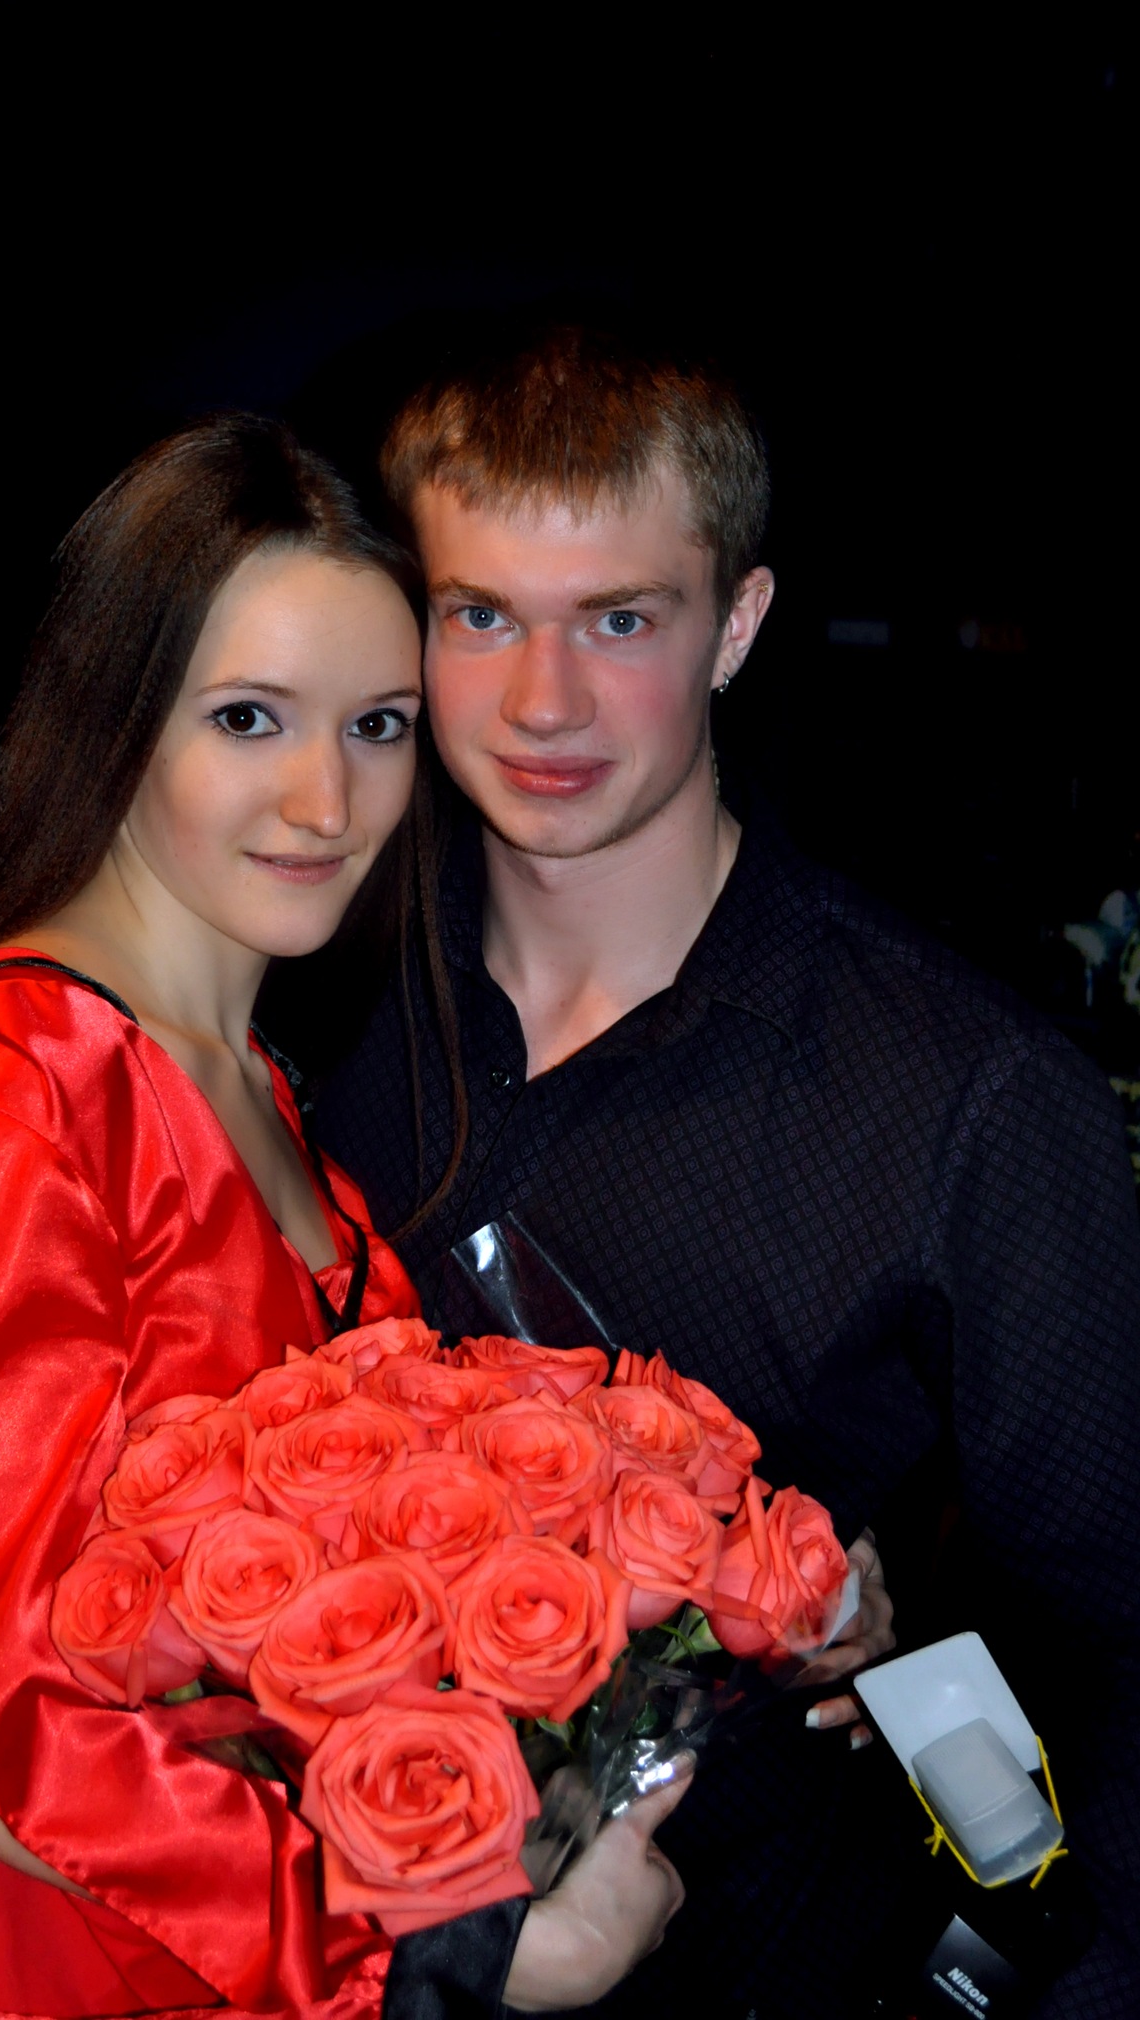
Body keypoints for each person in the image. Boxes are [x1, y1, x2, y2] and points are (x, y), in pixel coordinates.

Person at [0, 415, 686, 2020]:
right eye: (249, 718)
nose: (327, 799)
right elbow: (3, 1742)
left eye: (379, 725)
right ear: (114, 715)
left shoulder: (255, 1087)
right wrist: (431, 1956)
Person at [299, 323, 1140, 2019]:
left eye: (620, 620)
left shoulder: (966, 1099)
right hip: (337, 1964)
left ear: (737, 625)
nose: (543, 701)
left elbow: (1110, 1653)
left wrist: (907, 1637)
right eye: (482, 616)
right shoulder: (309, 997)